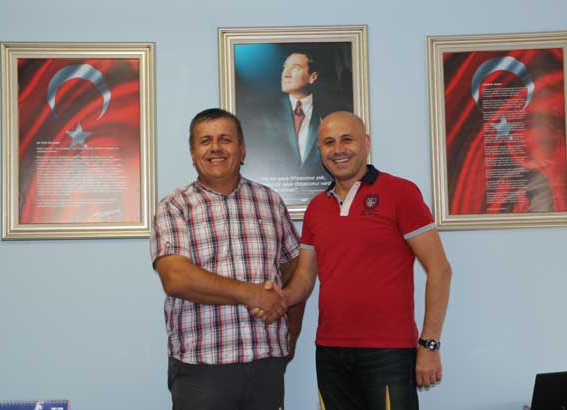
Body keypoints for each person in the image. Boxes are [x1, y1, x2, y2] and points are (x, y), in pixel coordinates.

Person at [256, 111, 452, 409]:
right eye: (329, 142)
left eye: (347, 139)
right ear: (320, 150)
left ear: (366, 143)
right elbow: (305, 278)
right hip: (330, 352)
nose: (338, 149)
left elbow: (440, 269)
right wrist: (280, 297)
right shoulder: (316, 208)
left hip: (388, 352)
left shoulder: (401, 192)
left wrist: (429, 344)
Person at [150, 108, 304, 410]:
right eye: (205, 141)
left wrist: (291, 333)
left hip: (266, 363)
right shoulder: (175, 206)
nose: (216, 148)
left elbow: (296, 271)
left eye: (225, 139)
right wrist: (252, 294)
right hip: (201, 368)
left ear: (242, 149)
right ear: (193, 154)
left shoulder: (270, 202)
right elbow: (176, 278)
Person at [243, 51, 344, 204]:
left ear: (313, 77)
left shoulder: (332, 113)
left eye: (295, 67)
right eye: (285, 68)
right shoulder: (264, 113)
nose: (286, 74)